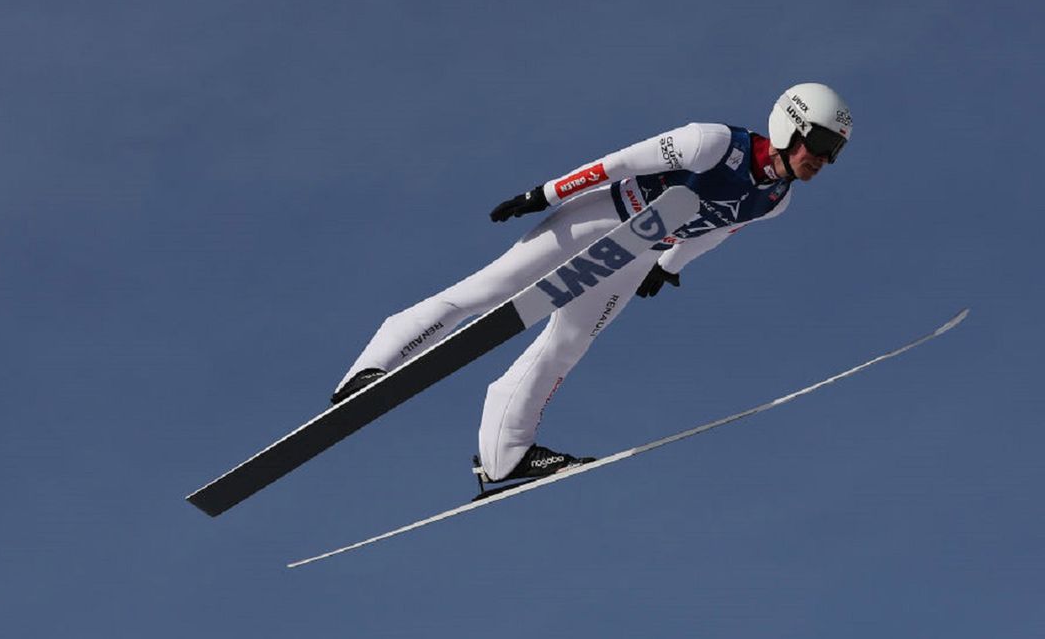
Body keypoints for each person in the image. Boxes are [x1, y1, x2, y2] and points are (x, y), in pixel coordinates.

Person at [331, 83, 852, 487]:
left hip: (635, 251)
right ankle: (372, 368)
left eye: (835, 153)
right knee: (488, 292)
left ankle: (505, 455)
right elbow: (621, 162)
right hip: (599, 219)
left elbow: (719, 231)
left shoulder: (776, 199)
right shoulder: (714, 143)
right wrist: (547, 193)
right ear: (792, 125)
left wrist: (670, 265)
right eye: (823, 144)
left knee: (569, 343)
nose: (824, 160)